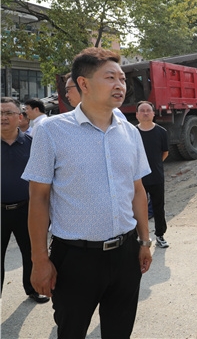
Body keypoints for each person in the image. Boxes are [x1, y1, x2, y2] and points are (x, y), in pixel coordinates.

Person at [23, 47, 153, 339]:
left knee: (119, 332)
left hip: (126, 254)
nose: (120, 85)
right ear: (83, 83)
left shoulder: (130, 133)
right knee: (71, 331)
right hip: (75, 259)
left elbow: (137, 190)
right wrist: (39, 260)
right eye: (110, 78)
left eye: (122, 79)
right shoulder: (52, 131)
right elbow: (39, 198)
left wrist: (144, 241)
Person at [1, 97, 49, 304]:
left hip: (26, 209)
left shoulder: (32, 144)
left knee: (31, 251)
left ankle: (33, 288)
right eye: (0, 113)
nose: (3, 117)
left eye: (8, 113)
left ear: (20, 117)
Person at [136, 100, 170, 248]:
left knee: (158, 207)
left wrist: (154, 165)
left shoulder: (161, 132)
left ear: (153, 114)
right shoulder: (132, 133)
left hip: (156, 176)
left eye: (148, 110)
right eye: (142, 111)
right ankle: (139, 237)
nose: (145, 113)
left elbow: (165, 153)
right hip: (138, 178)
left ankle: (160, 235)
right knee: (137, 208)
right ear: (137, 115)